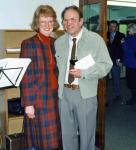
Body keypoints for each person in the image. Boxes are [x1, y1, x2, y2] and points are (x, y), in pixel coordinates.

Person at [55, 5, 113, 150]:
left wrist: (84, 73)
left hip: (85, 94)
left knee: (87, 135)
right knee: (67, 135)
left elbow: (106, 65)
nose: (69, 23)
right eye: (66, 20)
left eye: (73, 19)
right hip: (64, 94)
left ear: (81, 21)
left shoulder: (95, 40)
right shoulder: (58, 42)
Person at [20, 5, 60, 150]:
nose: (47, 25)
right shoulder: (29, 44)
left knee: (51, 140)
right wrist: (28, 104)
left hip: (54, 97)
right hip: (38, 100)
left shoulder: (54, 43)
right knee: (38, 141)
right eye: (43, 22)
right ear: (37, 23)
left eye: (50, 21)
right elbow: (26, 76)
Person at [122, 23, 136, 105]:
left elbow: (130, 51)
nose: (127, 31)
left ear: (133, 30)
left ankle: (134, 99)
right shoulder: (132, 37)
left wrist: (123, 43)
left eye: (129, 30)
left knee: (133, 83)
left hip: (133, 64)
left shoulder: (135, 38)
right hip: (131, 64)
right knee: (132, 82)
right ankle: (134, 97)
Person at [107, 20, 125, 101]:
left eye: (113, 26)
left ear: (116, 27)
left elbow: (122, 49)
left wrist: (120, 60)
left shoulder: (121, 35)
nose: (111, 28)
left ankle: (118, 95)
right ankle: (104, 96)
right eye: (110, 26)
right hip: (105, 61)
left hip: (116, 61)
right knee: (104, 80)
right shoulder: (105, 34)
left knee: (116, 79)